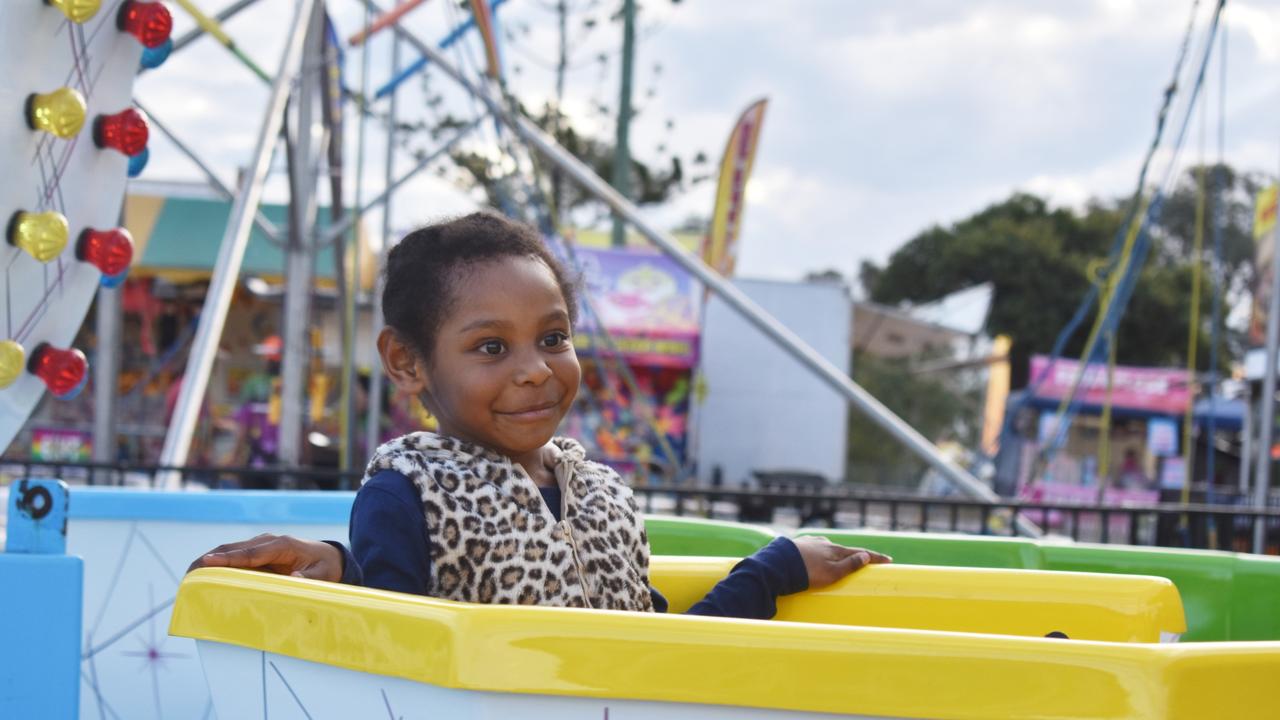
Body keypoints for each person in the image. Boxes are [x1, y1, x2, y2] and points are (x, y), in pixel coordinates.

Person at [189, 212, 890, 618]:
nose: (535, 368)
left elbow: (657, 656)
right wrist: (348, 566)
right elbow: (396, 647)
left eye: (553, 338)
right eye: (491, 347)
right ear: (407, 363)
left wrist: (775, 568)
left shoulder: (605, 496)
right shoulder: (411, 493)